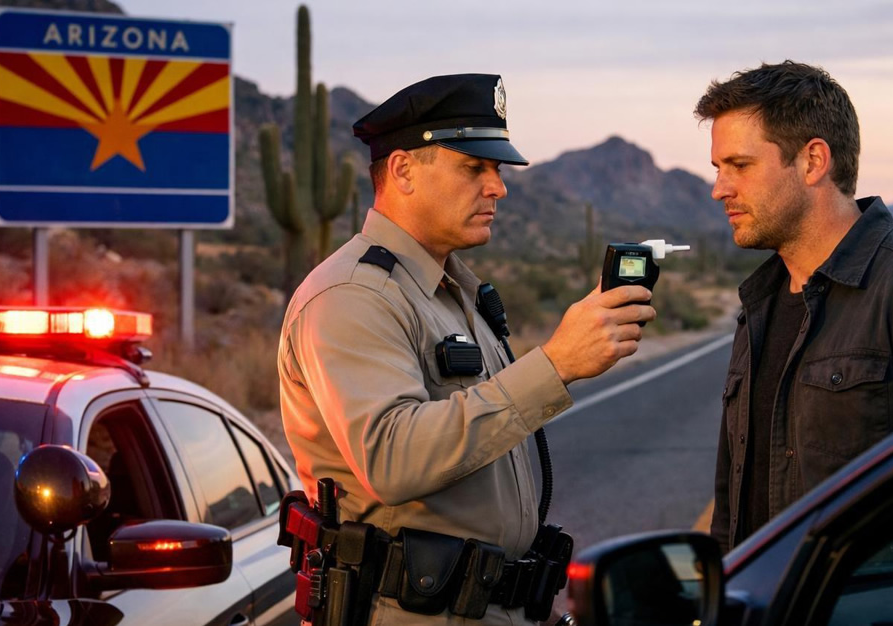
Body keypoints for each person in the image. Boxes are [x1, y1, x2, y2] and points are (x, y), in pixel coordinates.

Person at [279, 73, 655, 625]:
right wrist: (555, 366)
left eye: (496, 170)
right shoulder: (353, 295)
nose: (497, 187)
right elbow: (393, 458)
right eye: (473, 167)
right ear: (403, 170)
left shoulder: (453, 289)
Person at [695, 61, 893, 553]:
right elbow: (735, 505)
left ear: (812, 161)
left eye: (739, 166)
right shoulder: (758, 306)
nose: (719, 188)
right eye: (719, 169)